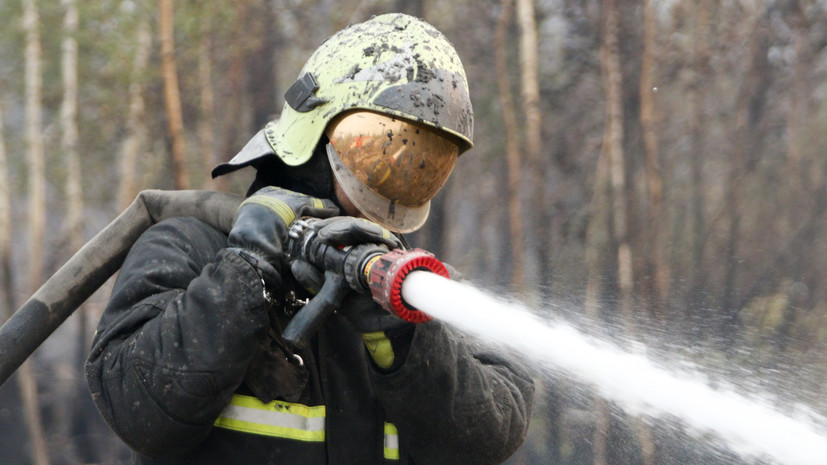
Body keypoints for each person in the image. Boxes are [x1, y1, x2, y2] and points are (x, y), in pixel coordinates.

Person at [86, 13, 534, 465]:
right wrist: (244, 272)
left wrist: (403, 336)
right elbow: (137, 408)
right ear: (318, 135)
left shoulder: (420, 297)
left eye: (420, 168)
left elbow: (489, 437)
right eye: (382, 154)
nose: (389, 188)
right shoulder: (188, 250)